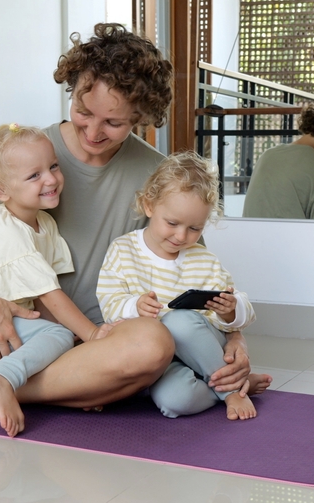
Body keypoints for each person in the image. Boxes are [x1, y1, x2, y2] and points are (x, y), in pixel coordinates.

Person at [0, 23, 254, 412]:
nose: (93, 131)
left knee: (151, 345)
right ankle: (66, 386)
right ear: (72, 91)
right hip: (18, 325)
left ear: (141, 117)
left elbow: (195, 270)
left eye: (113, 123)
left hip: (101, 337)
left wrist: (233, 337)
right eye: (83, 110)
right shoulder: (28, 153)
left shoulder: (158, 175)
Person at [0, 123, 117, 437]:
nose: (51, 179)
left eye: (53, 166)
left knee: (60, 338)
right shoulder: (9, 233)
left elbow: (45, 297)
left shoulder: (43, 223)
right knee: (57, 337)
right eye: (35, 175)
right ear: (1, 191)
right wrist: (93, 336)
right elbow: (51, 296)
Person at [97, 151, 271, 420]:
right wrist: (134, 306)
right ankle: (240, 383)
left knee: (178, 322)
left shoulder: (203, 259)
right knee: (175, 402)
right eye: (172, 223)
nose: (181, 236)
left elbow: (240, 310)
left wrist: (230, 310)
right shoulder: (123, 250)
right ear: (149, 205)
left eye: (194, 228)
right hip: (161, 358)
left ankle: (233, 391)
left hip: (200, 346)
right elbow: (109, 302)